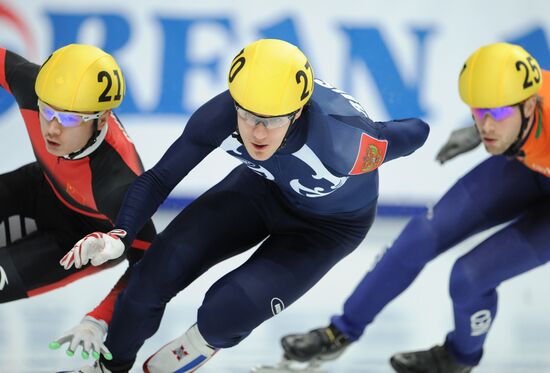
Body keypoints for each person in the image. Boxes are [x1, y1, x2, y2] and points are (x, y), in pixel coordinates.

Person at [60, 38, 429, 373]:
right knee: (152, 275)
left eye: (270, 121)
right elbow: (159, 178)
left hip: (328, 229)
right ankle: (107, 369)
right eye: (248, 116)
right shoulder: (219, 115)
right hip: (261, 190)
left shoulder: (346, 144)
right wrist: (119, 235)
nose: (256, 133)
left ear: (297, 113)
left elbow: (416, 132)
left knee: (225, 310)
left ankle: (201, 343)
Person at [272, 42, 550, 373]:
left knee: (469, 276)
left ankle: (458, 358)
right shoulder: (523, 101)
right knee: (421, 235)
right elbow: (499, 112)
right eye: (478, 112)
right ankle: (339, 333)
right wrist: (487, 128)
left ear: (531, 106)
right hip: (529, 168)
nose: (486, 125)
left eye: (498, 114)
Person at [0, 44, 155, 361]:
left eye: (70, 118)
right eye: (47, 112)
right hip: (41, 188)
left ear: (101, 120)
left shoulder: (120, 184)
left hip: (78, 243)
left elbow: (151, 268)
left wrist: (99, 319)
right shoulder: (32, 87)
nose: (53, 127)